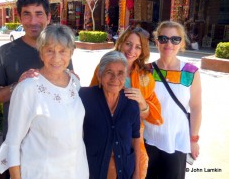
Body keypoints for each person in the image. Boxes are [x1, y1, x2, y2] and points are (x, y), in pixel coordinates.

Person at [0, 0, 73, 178]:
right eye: (27, 14)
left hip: (54, 148)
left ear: (48, 17)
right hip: (19, 147)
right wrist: (17, 86)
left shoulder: (59, 50)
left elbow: (69, 90)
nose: (33, 21)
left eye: (38, 14)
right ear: (19, 17)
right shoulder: (6, 52)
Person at [0, 24, 89, 179]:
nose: (56, 58)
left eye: (63, 51)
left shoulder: (74, 82)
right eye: (50, 50)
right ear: (41, 54)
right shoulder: (27, 88)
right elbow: (13, 143)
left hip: (76, 170)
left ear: (71, 53)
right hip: (41, 173)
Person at [90, 28, 163, 179]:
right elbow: (92, 99)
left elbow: (153, 116)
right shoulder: (104, 66)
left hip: (132, 139)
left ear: (142, 51)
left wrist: (142, 102)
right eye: (128, 44)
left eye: (138, 47)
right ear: (121, 43)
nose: (131, 50)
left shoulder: (145, 76)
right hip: (103, 135)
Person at [144, 21, 202, 179]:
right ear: (156, 41)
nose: (168, 43)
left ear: (181, 43)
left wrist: (194, 139)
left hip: (177, 140)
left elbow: (196, 107)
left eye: (175, 39)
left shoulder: (190, 72)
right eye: (163, 38)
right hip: (148, 140)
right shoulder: (146, 70)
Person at [80, 50, 140, 179]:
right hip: (91, 172)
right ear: (99, 75)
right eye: (109, 72)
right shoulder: (84, 97)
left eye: (120, 73)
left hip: (124, 172)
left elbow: (136, 138)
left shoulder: (131, 104)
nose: (115, 79)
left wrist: (137, 173)